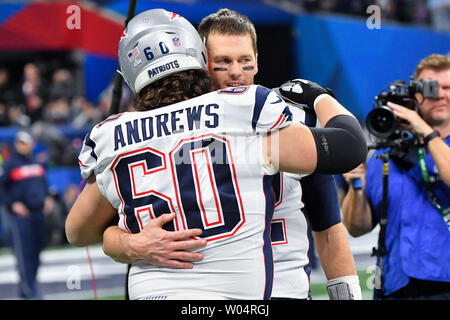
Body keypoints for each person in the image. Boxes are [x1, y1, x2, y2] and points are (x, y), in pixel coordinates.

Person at [65, 8, 366, 299]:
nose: (236, 72)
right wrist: (319, 97)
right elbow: (349, 147)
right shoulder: (256, 112)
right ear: (201, 61)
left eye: (245, 61)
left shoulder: (119, 134)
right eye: (223, 62)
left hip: (282, 287)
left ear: (258, 61)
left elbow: (327, 228)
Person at [342, 53, 450, 299]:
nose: (440, 94)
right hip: (395, 286)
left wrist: (425, 132)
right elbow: (357, 227)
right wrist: (355, 186)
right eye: (430, 88)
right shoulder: (386, 156)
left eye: (447, 87)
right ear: (416, 97)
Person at [0, 130, 49, 298]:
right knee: (24, 253)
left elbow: (43, 183)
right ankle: (29, 289)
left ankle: (27, 286)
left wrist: (46, 198)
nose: (23, 146)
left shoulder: (36, 162)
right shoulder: (9, 164)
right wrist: (13, 204)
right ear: (16, 144)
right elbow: (2, 188)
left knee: (37, 250)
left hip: (38, 212)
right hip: (21, 216)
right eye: (21, 143)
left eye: (26, 142)